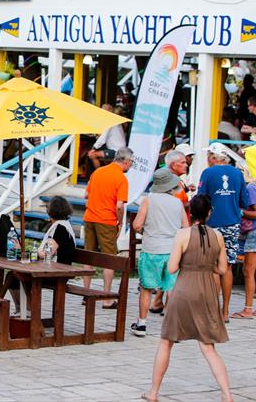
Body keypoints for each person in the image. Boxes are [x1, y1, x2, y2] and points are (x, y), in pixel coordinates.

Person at [142, 195, 231, 402]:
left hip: (183, 289)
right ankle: (227, 394)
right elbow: (222, 268)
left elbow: (172, 267)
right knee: (208, 346)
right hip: (207, 290)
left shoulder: (182, 235)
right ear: (210, 213)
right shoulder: (217, 236)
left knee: (166, 341)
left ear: (190, 213)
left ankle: (153, 392)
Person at [130, 169, 189, 337]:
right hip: (172, 250)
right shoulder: (177, 202)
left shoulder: (148, 200)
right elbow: (185, 226)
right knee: (171, 287)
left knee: (147, 288)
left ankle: (141, 324)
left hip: (152, 249)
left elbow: (136, 225)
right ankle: (171, 325)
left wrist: (146, 231)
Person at [197, 143, 248, 322]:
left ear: (213, 157)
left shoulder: (208, 173)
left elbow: (200, 199)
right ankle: (224, 312)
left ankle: (212, 310)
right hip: (233, 223)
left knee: (212, 266)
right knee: (227, 267)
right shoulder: (237, 173)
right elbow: (244, 201)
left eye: (208, 155)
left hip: (213, 223)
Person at [83, 147, 133, 308]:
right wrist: (120, 222)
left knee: (88, 256)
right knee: (109, 259)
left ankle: (85, 294)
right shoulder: (121, 179)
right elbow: (119, 206)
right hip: (106, 220)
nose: (131, 165)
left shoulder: (98, 172)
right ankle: (106, 298)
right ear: (125, 161)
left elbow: (86, 195)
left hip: (90, 217)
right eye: (131, 162)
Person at [230, 175, 256, 319]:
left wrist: (238, 211)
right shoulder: (253, 187)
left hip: (255, 231)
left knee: (248, 271)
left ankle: (248, 310)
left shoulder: (250, 188)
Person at [88, 104, 127, 169]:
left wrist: (93, 148)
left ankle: (99, 176)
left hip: (117, 151)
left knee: (92, 155)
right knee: (100, 153)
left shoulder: (110, 121)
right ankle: (105, 170)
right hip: (120, 149)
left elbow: (103, 138)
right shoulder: (115, 120)